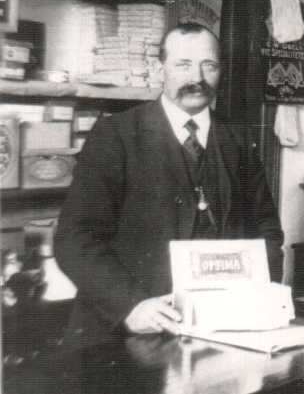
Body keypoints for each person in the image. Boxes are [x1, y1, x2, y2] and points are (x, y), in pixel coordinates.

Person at [55, 22, 284, 348]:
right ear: (159, 68)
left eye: (209, 65)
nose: (197, 78)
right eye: (183, 65)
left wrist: (258, 296)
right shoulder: (115, 136)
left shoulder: (239, 140)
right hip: (127, 335)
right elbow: (74, 239)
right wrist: (131, 306)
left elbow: (267, 230)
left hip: (220, 335)